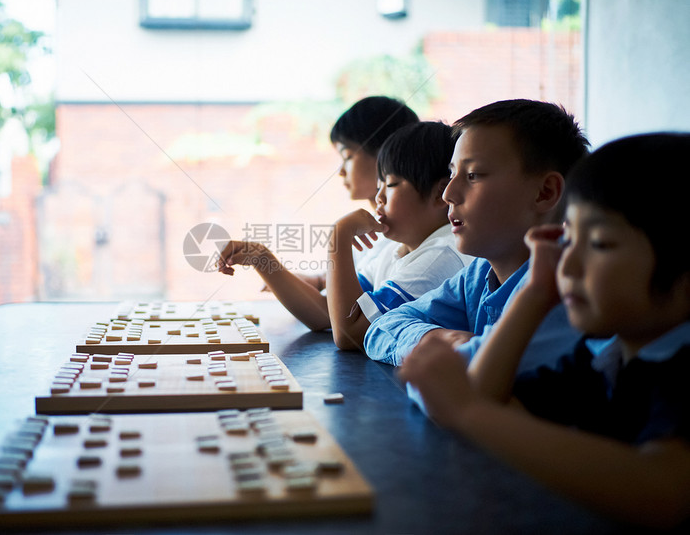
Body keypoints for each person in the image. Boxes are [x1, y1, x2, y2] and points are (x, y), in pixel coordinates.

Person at [399, 133, 690, 529]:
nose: (567, 267)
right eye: (568, 240)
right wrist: (533, 294)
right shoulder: (603, 360)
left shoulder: (681, 369)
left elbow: (664, 492)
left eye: (601, 243)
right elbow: (488, 394)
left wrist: (470, 412)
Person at [363, 99, 590, 371]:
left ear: (545, 193)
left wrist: (440, 356)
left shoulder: (562, 288)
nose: (448, 194)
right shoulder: (481, 273)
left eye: (473, 175)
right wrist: (440, 338)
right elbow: (382, 328)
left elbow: (469, 380)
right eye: (451, 173)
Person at [217, 96, 418, 330]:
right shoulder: (381, 237)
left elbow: (332, 318)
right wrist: (308, 280)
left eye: (348, 156)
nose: (341, 171)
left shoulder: (405, 242)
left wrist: (262, 258)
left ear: (386, 155)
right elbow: (331, 293)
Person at [328, 122, 471, 351]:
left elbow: (349, 332)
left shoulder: (441, 254)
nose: (379, 198)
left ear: (439, 194)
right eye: (379, 185)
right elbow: (329, 312)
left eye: (391, 184)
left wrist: (338, 238)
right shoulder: (394, 250)